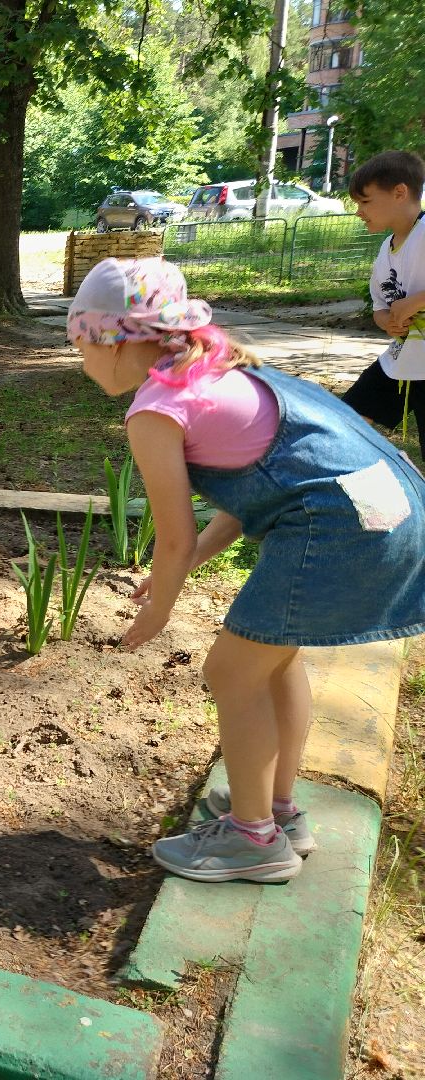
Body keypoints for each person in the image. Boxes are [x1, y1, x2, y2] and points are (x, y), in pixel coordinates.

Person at [68, 257, 425, 884]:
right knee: (274, 660)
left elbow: (172, 539)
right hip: (390, 510)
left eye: (79, 343)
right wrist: (184, 568)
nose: (81, 360)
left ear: (115, 340)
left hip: (339, 528)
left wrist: (155, 612)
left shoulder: (155, 410)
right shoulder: (215, 368)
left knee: (230, 670)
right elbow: (259, 490)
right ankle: (276, 811)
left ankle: (253, 841)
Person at [342, 149, 425, 459]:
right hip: (404, 359)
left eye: (365, 201)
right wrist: (386, 320)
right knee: (347, 416)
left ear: (399, 192)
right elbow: (380, 306)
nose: (359, 212)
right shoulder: (385, 250)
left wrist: (416, 301)